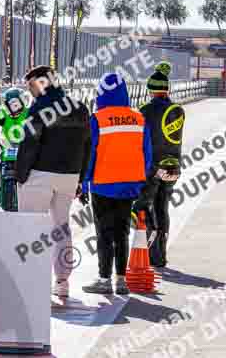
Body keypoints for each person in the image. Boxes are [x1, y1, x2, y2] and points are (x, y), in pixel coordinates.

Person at [15, 65, 91, 298]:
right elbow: (88, 146)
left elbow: (29, 144)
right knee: (61, 227)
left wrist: (20, 175)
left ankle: (33, 283)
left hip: (40, 175)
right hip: (69, 176)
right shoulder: (80, 108)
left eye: (31, 85)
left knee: (31, 228)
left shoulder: (39, 108)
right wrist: (80, 178)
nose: (30, 91)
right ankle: (62, 281)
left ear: (42, 83)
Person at [81, 72, 153, 295]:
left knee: (104, 233)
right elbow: (147, 154)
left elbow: (89, 154)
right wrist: (140, 178)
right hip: (129, 184)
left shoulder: (97, 119)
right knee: (122, 232)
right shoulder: (139, 118)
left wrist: (84, 182)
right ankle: (121, 280)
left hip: (102, 184)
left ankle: (104, 279)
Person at [136, 62, 184, 268]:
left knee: (141, 206)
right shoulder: (178, 110)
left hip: (153, 167)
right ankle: (160, 256)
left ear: (151, 90)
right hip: (173, 166)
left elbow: (140, 140)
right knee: (162, 208)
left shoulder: (145, 111)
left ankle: (151, 243)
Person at [0, 88, 29, 212]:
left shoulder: (30, 113)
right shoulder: (1, 113)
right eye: (10, 103)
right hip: (6, 147)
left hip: (27, 149)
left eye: (16, 103)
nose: (13, 107)